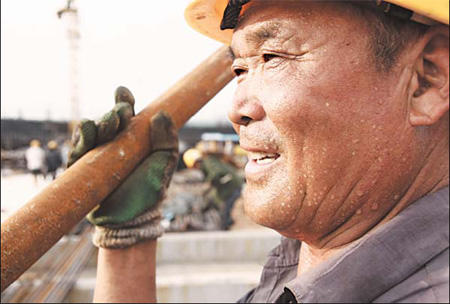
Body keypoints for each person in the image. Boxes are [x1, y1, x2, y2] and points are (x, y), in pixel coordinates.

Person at [68, 1, 449, 302]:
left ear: (425, 81)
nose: (238, 109)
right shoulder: (302, 266)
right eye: (239, 69)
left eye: (272, 57)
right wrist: (127, 240)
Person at [183, 147, 244, 230]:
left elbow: (217, 173)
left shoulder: (208, 162)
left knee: (225, 208)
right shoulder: (207, 164)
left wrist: (208, 183)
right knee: (220, 203)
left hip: (233, 187)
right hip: (229, 188)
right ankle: (225, 225)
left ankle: (224, 226)